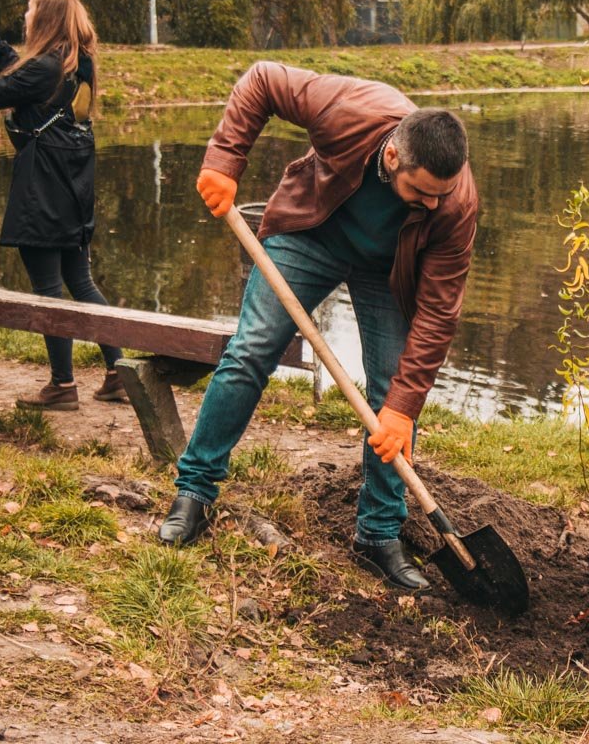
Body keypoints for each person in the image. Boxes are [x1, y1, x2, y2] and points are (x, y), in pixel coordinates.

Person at [158, 61, 478, 592]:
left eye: (441, 195)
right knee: (251, 350)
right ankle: (194, 492)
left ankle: (378, 534)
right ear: (393, 156)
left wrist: (402, 409)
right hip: (311, 234)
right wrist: (223, 160)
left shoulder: (454, 204)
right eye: (421, 192)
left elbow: (439, 312)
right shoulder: (349, 111)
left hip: (389, 272)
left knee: (390, 397)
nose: (432, 204)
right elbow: (261, 80)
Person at [0, 0, 125, 411]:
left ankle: (62, 386)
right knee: (80, 282)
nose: (26, 17)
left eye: (31, 10)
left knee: (49, 289)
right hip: (73, 183)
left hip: (45, 187)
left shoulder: (46, 67)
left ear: (46, 18)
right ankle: (119, 374)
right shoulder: (74, 60)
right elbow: (24, 78)